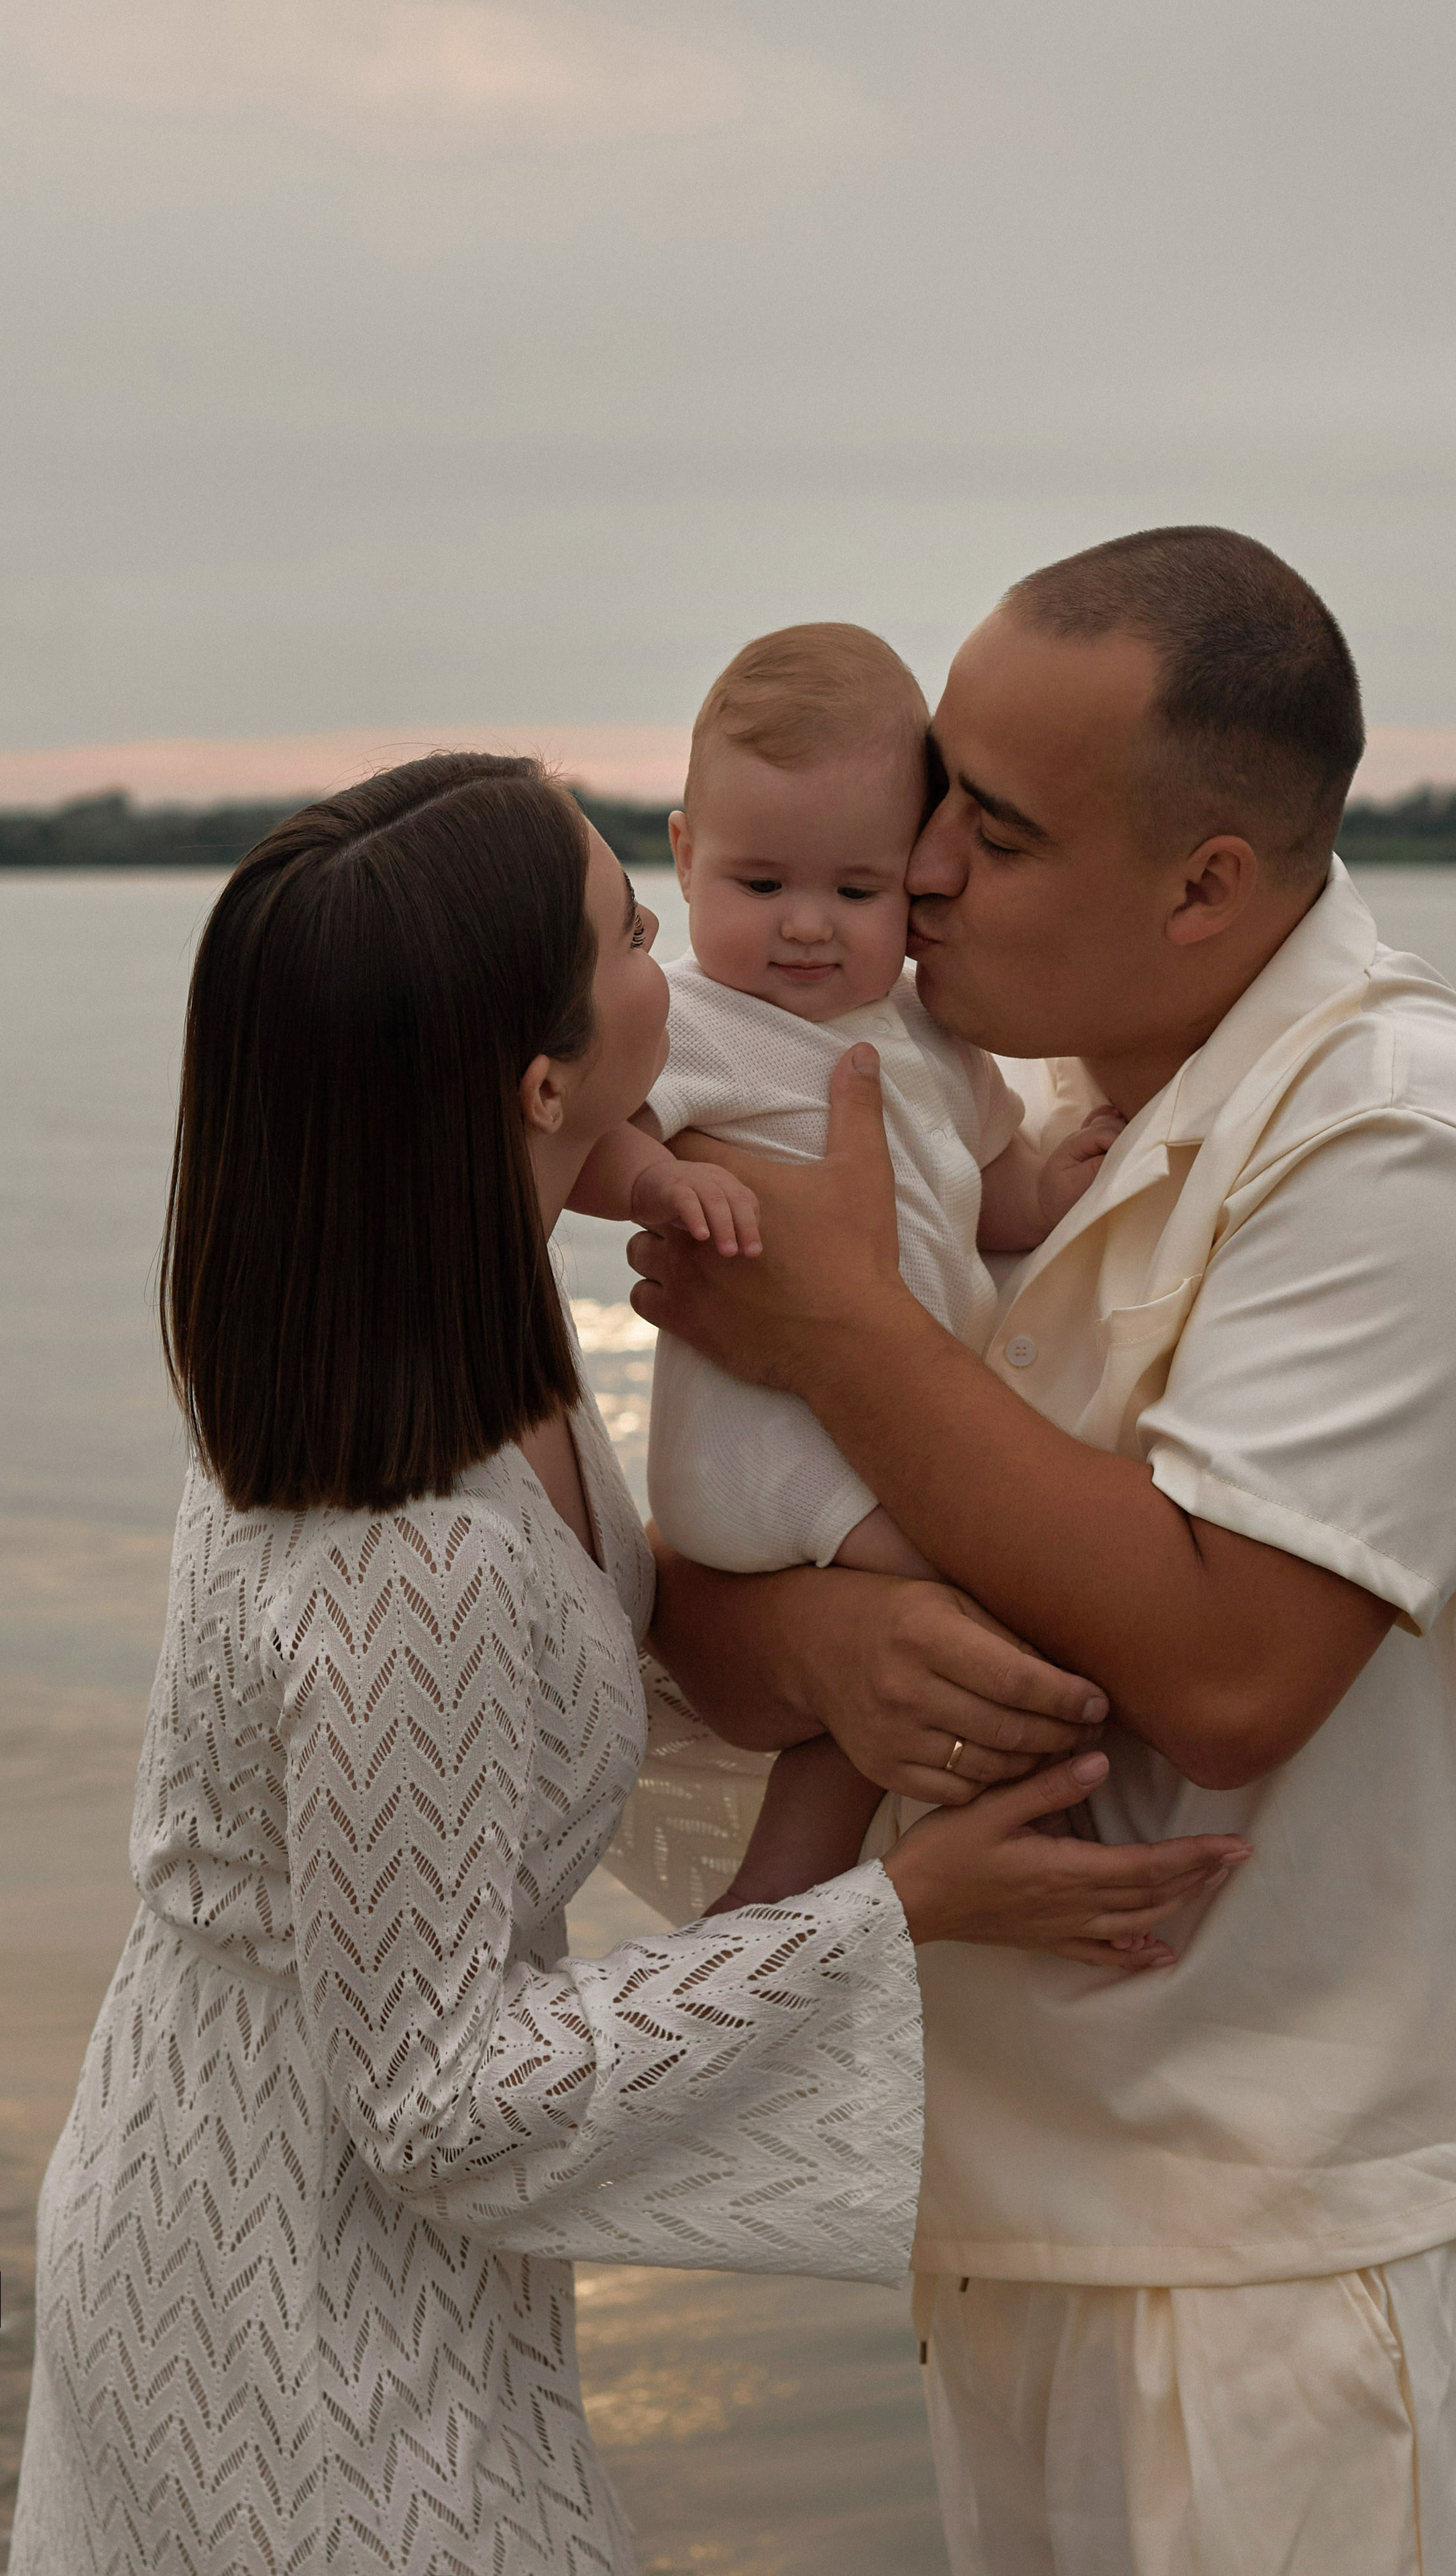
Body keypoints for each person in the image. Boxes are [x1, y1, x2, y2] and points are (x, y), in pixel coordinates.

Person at [8, 752, 1245, 2576]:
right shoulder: (402, 1553)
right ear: (537, 1083)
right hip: (277, 2304)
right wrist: (899, 1918)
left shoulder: (422, 1334)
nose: (675, 952)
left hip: (323, 2217)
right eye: (628, 931)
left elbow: (523, 1738)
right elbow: (437, 2100)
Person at [630, 531, 1456, 2576]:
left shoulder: (1401, 1143)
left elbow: (1232, 1672)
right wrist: (828, 1652)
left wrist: (837, 1327)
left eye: (989, 831)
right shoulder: (994, 1123)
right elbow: (727, 1636)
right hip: (1026, 2223)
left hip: (1310, 2265)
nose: (917, 879)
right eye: (930, 812)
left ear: (1207, 886)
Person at [574, 622, 1124, 1905]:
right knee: (999, 1605)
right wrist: (664, 1181)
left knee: (865, 1707)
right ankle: (1029, 1836)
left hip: (873, 1434)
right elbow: (591, 1143)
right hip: (770, 1459)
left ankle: (774, 1921)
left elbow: (978, 1184)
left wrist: (1046, 1188)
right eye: (762, 887)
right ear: (685, 855)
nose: (808, 929)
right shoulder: (701, 1023)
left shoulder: (927, 1030)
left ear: (913, 883)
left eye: (857, 893)